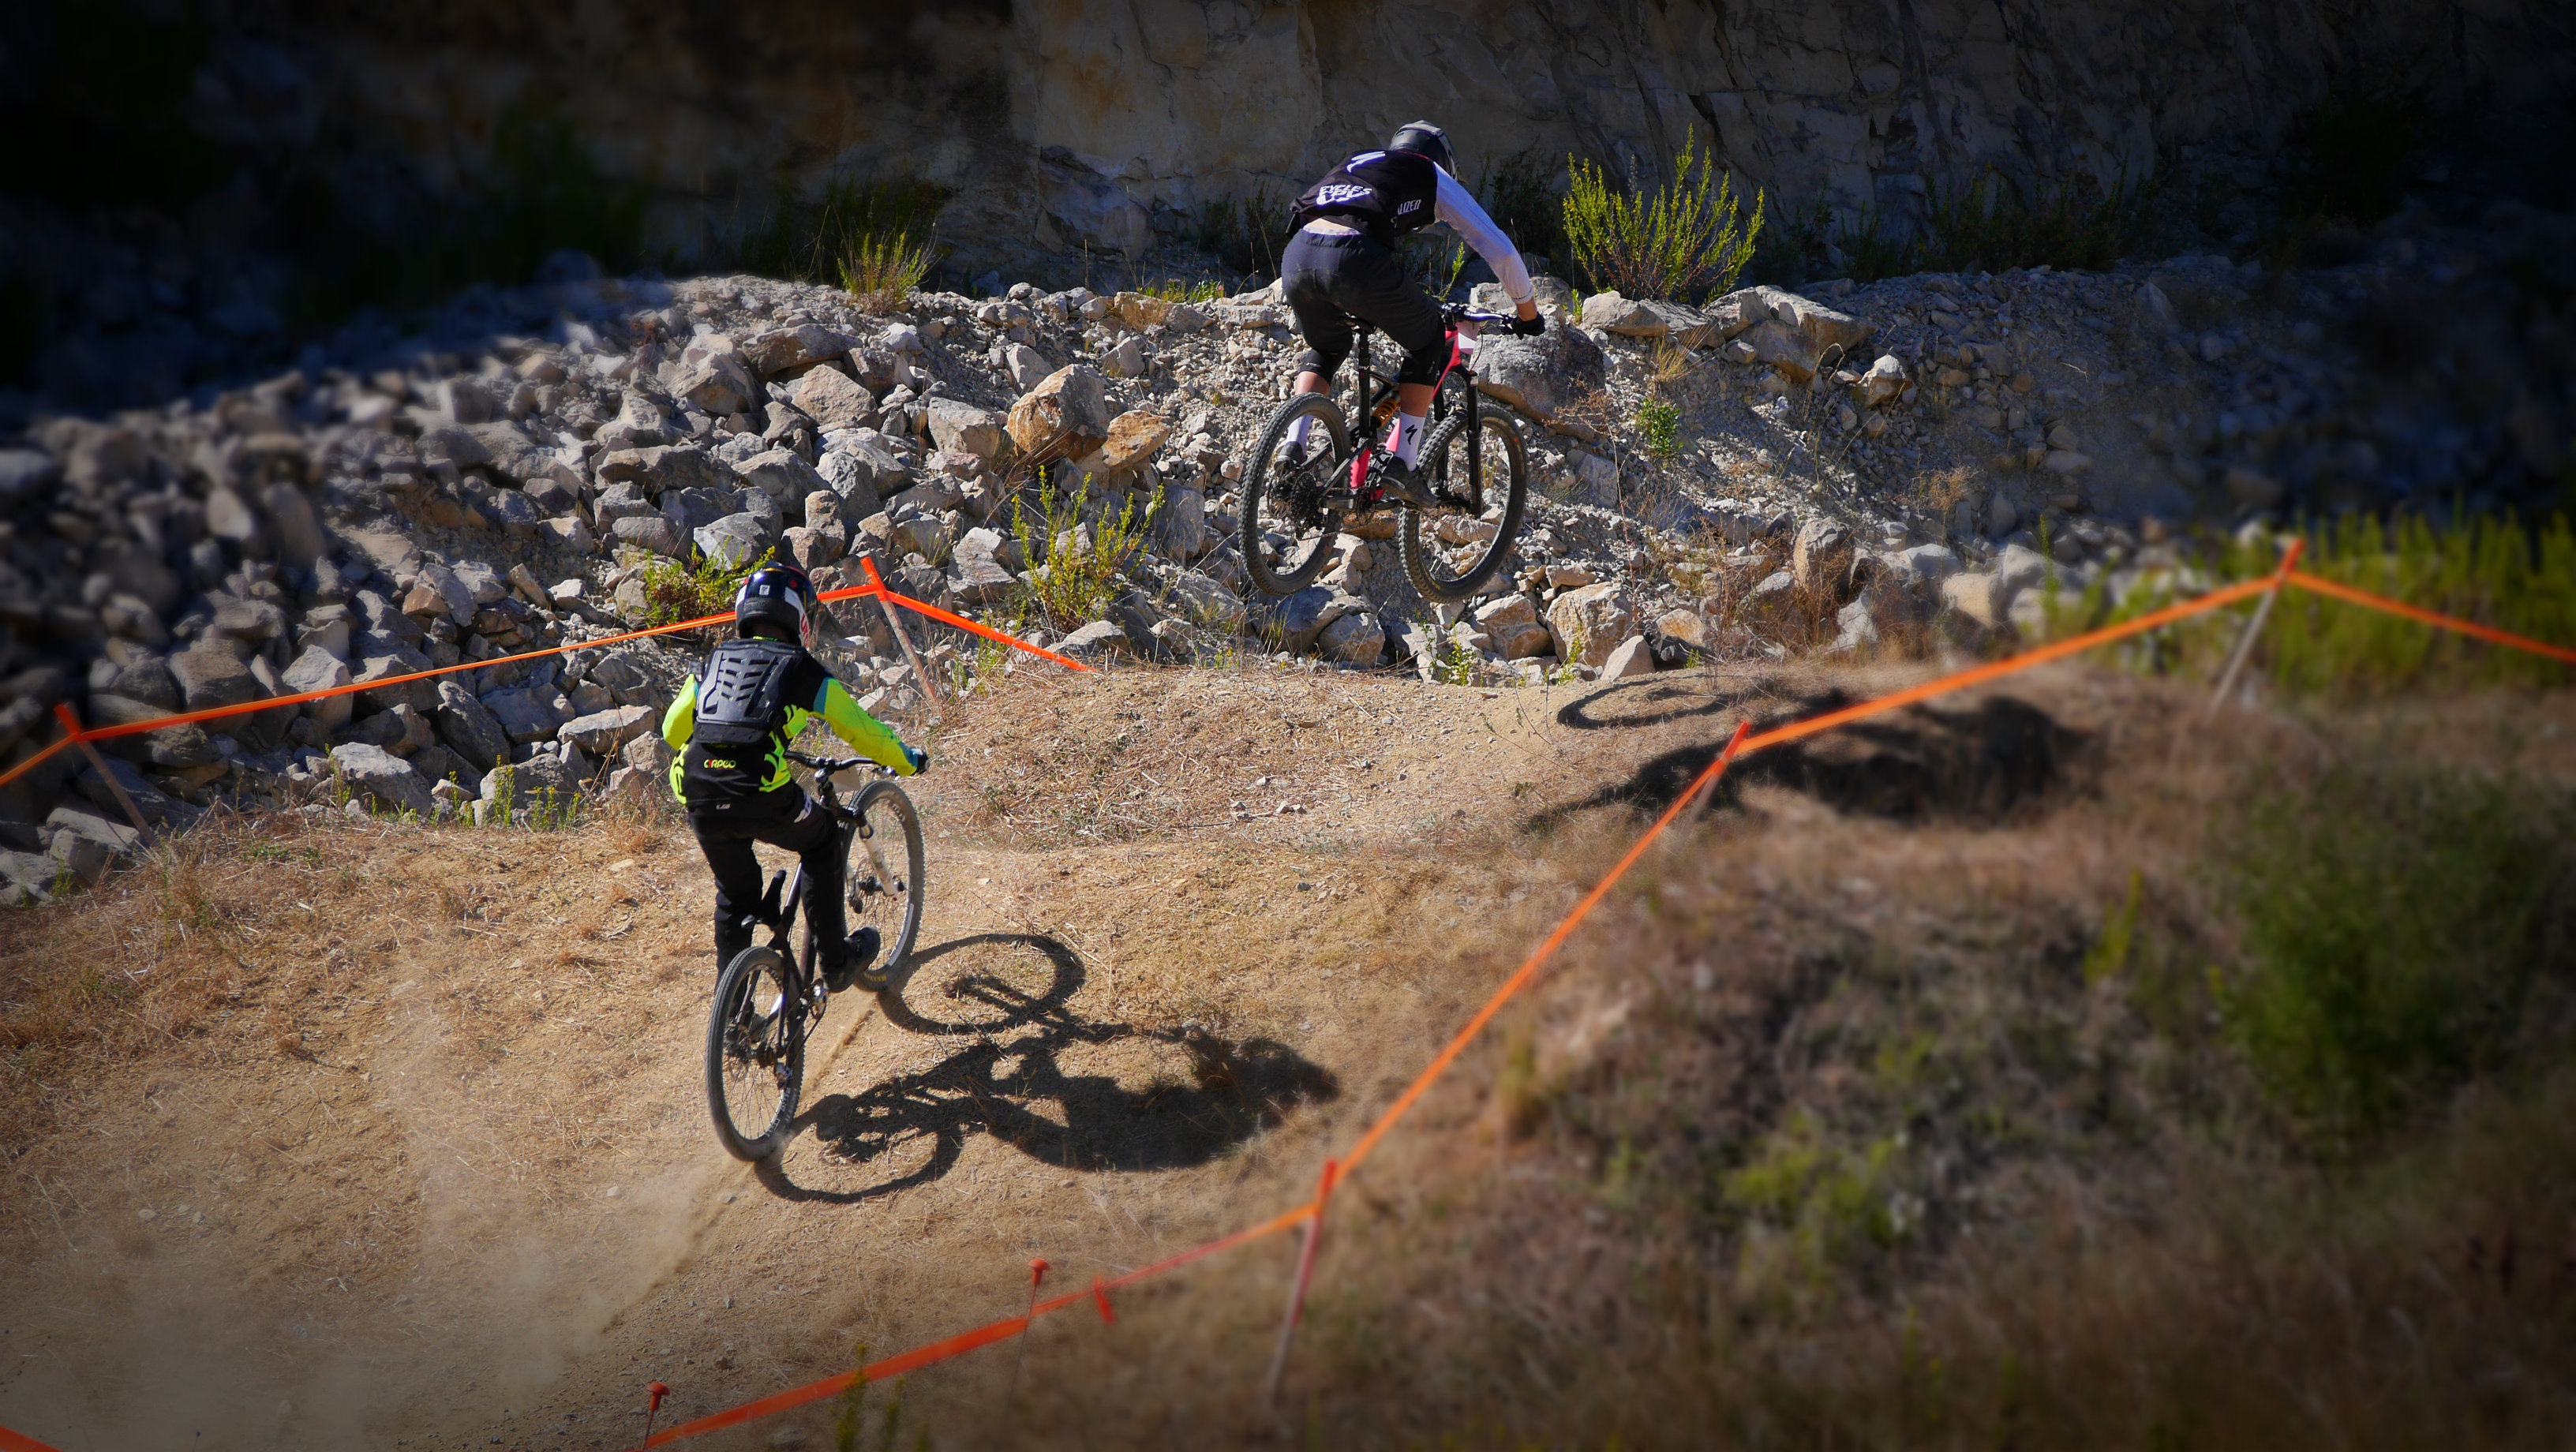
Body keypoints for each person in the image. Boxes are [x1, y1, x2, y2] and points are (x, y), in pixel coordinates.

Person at [660, 561, 927, 993]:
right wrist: (908, 759)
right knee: (822, 841)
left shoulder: (715, 661)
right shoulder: (800, 667)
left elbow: (673, 731)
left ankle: (735, 1012)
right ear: (801, 618)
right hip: (761, 794)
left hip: (700, 794)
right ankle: (836, 962)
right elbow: (860, 730)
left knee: (736, 896)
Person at [1280, 120, 1547, 507]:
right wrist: (1528, 314)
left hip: (1298, 256)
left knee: (1327, 346)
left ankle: (1292, 448)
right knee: (1430, 340)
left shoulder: (1361, 162)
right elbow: (1499, 249)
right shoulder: (1430, 173)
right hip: (1354, 258)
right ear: (1440, 160)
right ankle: (1403, 464)